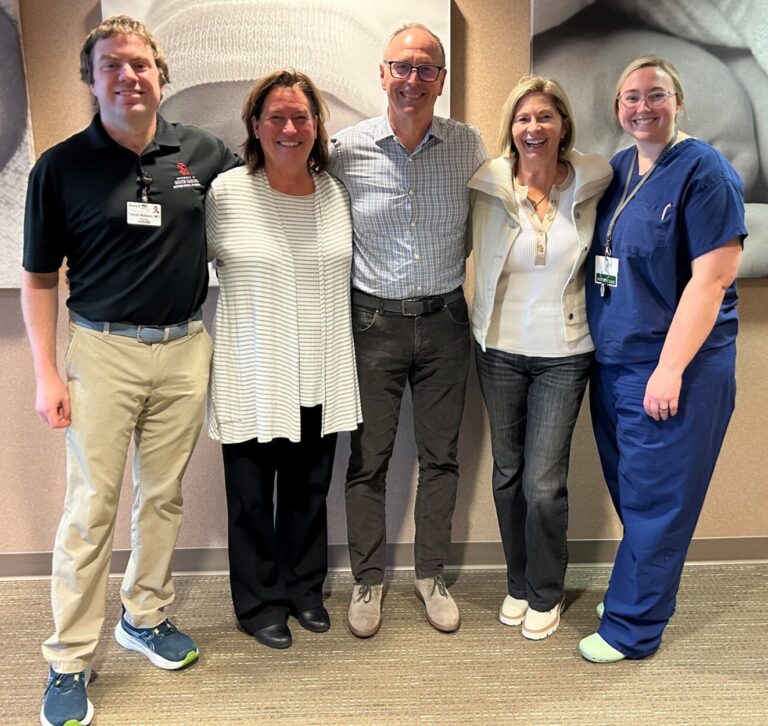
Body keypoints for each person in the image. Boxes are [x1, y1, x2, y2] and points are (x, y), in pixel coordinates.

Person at [21, 15, 238, 726]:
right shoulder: (59, 167)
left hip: (183, 347)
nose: (128, 75)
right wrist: (47, 375)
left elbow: (261, 217)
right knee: (91, 511)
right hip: (101, 353)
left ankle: (143, 617)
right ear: (91, 79)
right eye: (111, 65)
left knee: (163, 498)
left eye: (141, 63)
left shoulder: (204, 153)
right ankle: (68, 660)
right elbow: (38, 278)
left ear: (160, 74)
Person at [580, 55, 746, 663]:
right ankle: (635, 593)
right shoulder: (622, 168)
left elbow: (712, 280)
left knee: (657, 502)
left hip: (673, 369)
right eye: (630, 97)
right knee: (634, 492)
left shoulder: (706, 173)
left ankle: (633, 629)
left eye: (655, 95)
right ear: (617, 108)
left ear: (678, 101)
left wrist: (669, 370)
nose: (641, 107)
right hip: (619, 362)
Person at [329, 22, 488, 638]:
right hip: (373, 324)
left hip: (446, 321)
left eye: (426, 68)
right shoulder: (346, 149)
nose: (412, 79)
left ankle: (431, 575)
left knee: (441, 458)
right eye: (403, 66)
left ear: (441, 80)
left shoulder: (469, 145)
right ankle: (367, 580)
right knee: (368, 459)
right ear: (383, 73)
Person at [205, 70, 361, 649]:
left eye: (301, 117)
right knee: (250, 500)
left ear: (316, 126)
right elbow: (185, 265)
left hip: (319, 370)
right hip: (253, 373)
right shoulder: (227, 193)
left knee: (307, 493)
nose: (290, 128)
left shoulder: (333, 194)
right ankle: (258, 603)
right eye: (277, 117)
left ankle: (303, 589)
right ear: (255, 125)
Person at [469, 76, 612, 640]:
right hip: (499, 351)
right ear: (511, 127)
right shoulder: (487, 184)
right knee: (508, 474)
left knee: (544, 482)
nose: (533, 128)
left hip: (565, 353)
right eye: (523, 118)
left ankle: (546, 591)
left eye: (545, 117)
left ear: (563, 126)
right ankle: (518, 581)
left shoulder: (594, 179)